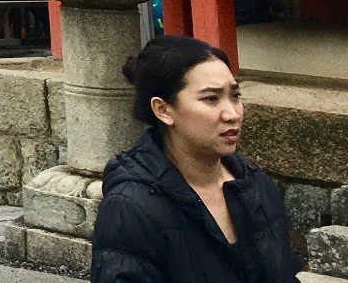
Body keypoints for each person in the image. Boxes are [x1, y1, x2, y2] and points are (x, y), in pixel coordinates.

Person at [90, 35, 299, 283]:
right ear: (163, 110)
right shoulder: (130, 207)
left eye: (235, 96)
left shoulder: (255, 185)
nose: (232, 114)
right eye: (211, 98)